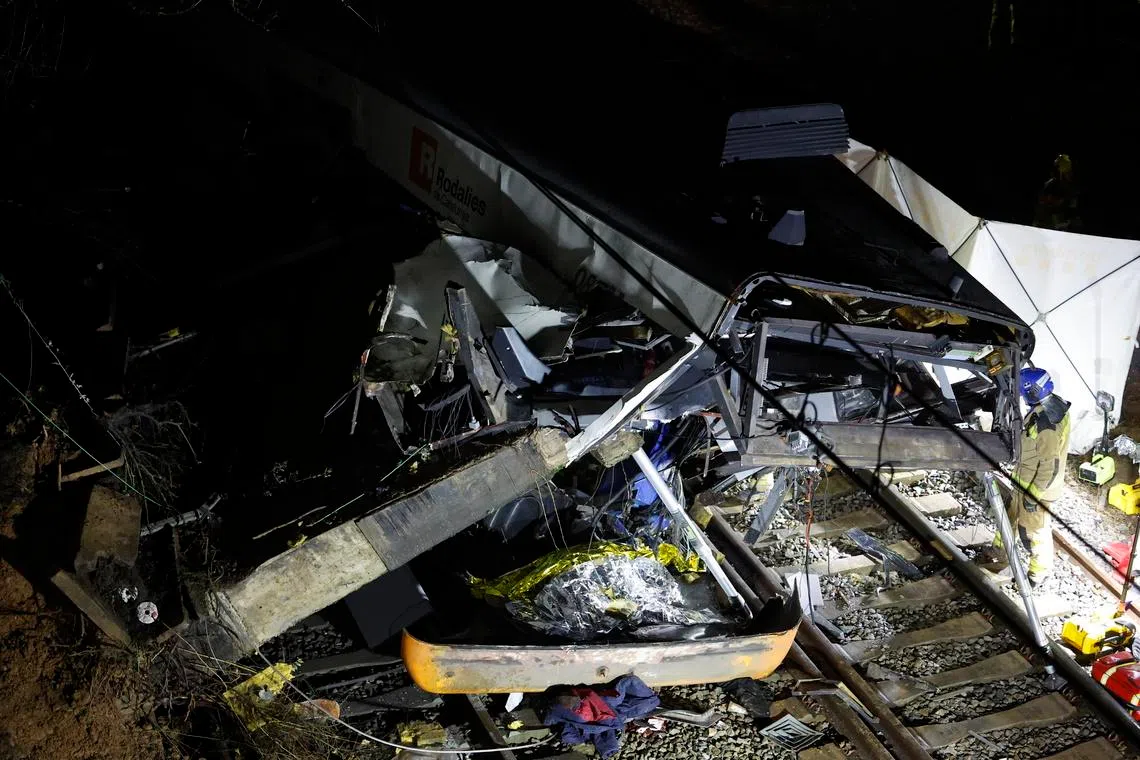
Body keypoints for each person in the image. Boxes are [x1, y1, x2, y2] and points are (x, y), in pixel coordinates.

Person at [992, 368, 1071, 587]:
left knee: (1034, 530)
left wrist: (1033, 496)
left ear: (1032, 391)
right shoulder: (1050, 406)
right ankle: (999, 551)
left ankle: (1038, 573)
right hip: (1025, 481)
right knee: (1009, 515)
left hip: (1036, 489)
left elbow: (1050, 465)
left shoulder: (1047, 423)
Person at [1033, 154, 1082, 232]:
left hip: (1061, 223)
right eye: (1068, 172)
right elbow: (1042, 206)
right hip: (1048, 224)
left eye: (1070, 172)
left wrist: (1073, 218)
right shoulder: (1051, 185)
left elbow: (1072, 206)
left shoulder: (1070, 187)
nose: (1070, 174)